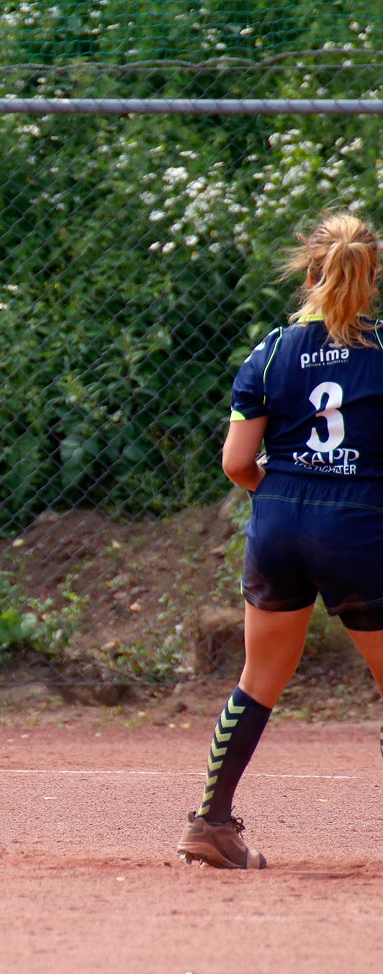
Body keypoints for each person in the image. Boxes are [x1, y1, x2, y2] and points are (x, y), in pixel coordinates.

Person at [177, 211, 383, 868]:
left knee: (259, 678)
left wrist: (289, 492)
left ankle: (209, 825)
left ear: (310, 269)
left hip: (280, 516)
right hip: (358, 520)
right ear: (371, 275)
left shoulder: (269, 353)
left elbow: (237, 464)